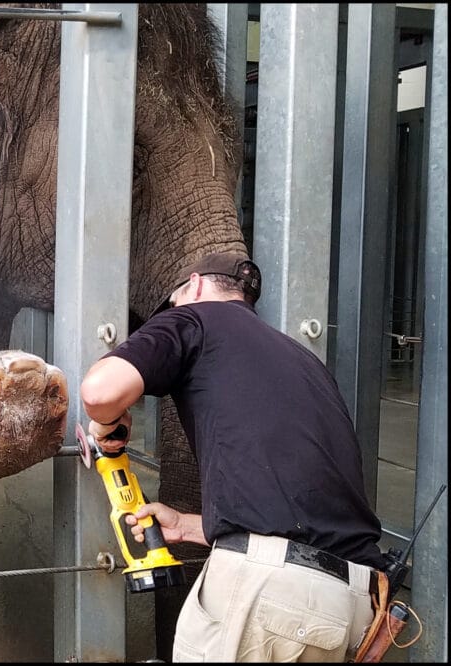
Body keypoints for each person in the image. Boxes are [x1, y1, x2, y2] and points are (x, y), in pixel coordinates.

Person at [79, 252, 385, 663]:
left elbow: (99, 392)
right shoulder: (305, 361)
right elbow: (301, 510)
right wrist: (191, 527)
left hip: (268, 598)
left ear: (196, 285)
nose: (172, 312)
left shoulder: (194, 317)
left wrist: (107, 425)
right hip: (352, 605)